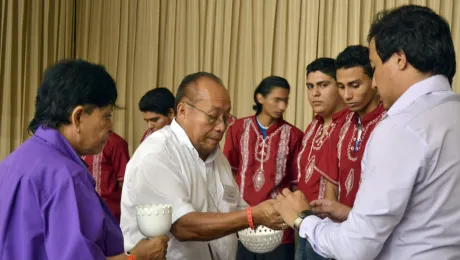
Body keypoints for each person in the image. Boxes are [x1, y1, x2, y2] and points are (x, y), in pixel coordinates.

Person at [274, 5, 460, 259]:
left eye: (374, 67)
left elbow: (355, 248)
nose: (374, 82)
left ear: (399, 59)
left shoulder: (400, 127)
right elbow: (425, 221)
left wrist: (302, 219)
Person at [0, 59, 168, 259]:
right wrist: (137, 257)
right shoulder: (67, 177)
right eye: (106, 115)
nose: (111, 126)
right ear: (78, 117)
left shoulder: (12, 163)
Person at [120, 72, 284, 260]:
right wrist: (252, 216)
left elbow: (234, 208)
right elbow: (183, 226)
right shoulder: (157, 154)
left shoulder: (217, 157)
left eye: (226, 118)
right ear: (182, 111)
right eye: (213, 117)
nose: (221, 127)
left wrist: (278, 211)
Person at [223, 76, 304, 260]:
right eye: (277, 100)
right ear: (260, 98)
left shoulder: (294, 135)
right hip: (243, 224)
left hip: (278, 227)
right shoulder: (237, 129)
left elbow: (295, 184)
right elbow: (229, 173)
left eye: (285, 100)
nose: (282, 106)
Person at [314, 45, 385, 221]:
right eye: (341, 86)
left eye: (355, 85)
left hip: (377, 230)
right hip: (341, 234)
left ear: (374, 80)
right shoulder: (341, 124)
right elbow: (331, 182)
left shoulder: (389, 122)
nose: (346, 95)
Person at [293, 58, 346, 260]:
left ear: (339, 86)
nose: (314, 93)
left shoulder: (350, 125)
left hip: (333, 231)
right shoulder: (313, 127)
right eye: (310, 86)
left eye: (323, 85)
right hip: (306, 225)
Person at [82, 132, 130, 223]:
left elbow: (125, 183)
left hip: (110, 214)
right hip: (85, 211)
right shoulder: (80, 142)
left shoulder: (116, 142)